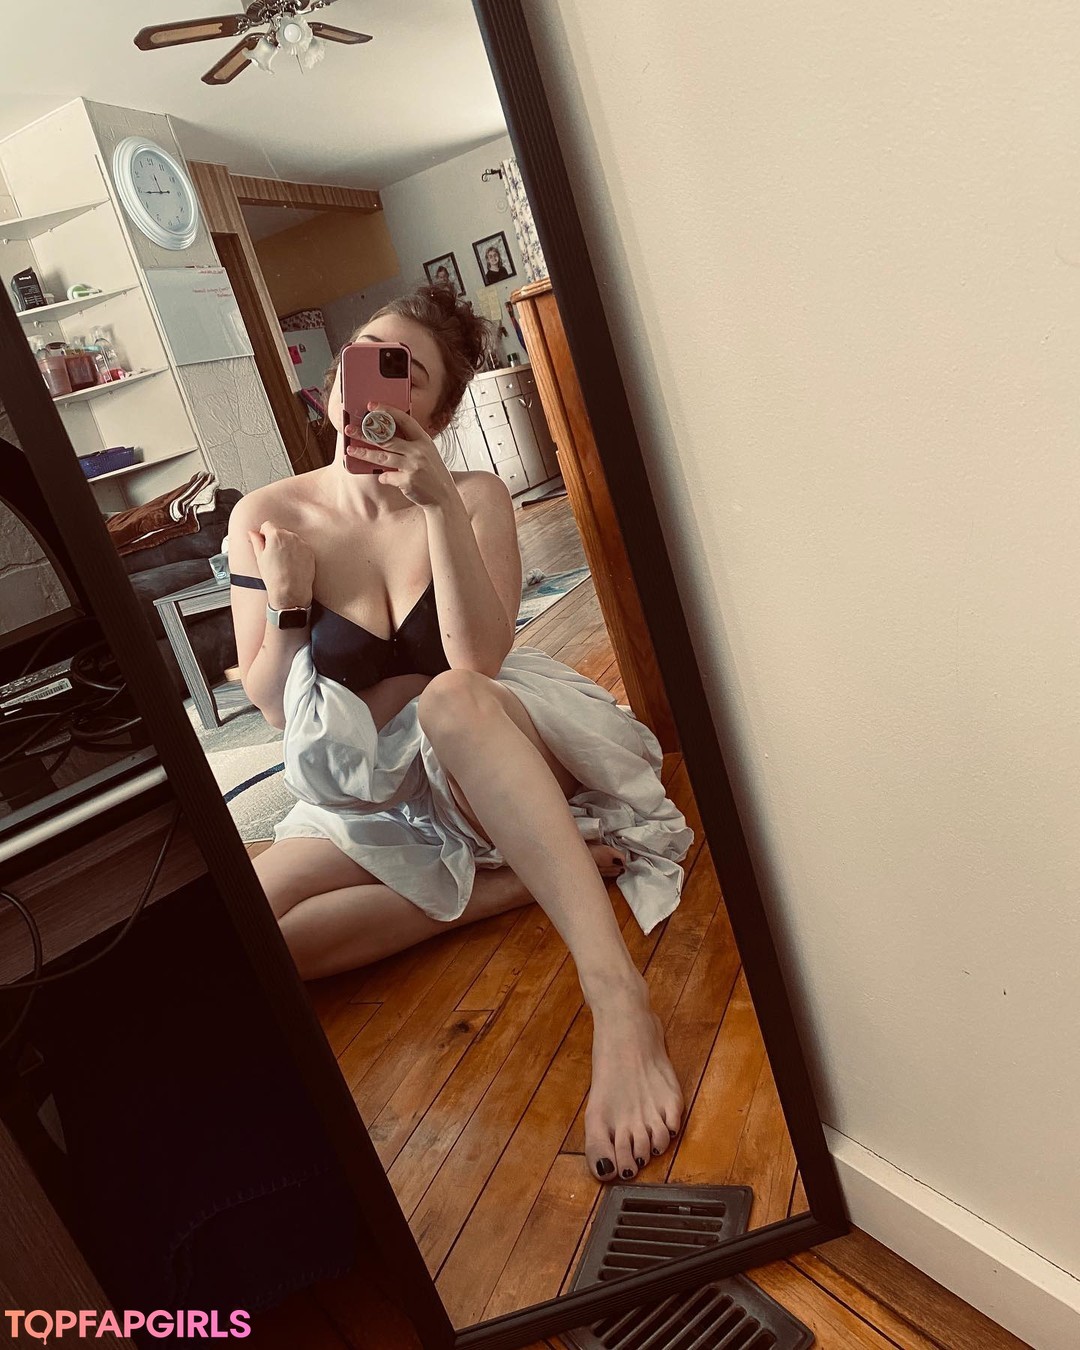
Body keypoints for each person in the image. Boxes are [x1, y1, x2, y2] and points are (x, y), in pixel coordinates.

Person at [226, 285, 692, 1183]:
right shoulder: (266, 516)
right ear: (336, 376)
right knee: (256, 925)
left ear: (436, 414)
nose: (377, 379)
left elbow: (477, 660)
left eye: (408, 372)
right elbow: (279, 709)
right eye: (368, 353)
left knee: (450, 698)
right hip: (378, 784)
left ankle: (618, 1000)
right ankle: (506, 886)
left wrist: (438, 504)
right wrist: (286, 602)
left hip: (490, 746)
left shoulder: (474, 493)